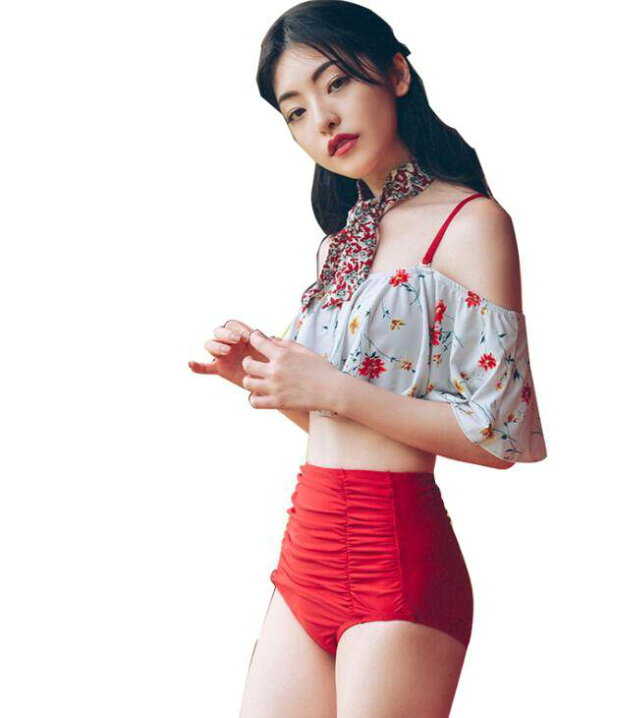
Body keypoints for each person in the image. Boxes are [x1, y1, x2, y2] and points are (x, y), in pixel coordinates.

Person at [188, 1, 547, 715]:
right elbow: (348, 424)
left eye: (337, 84)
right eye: (295, 111)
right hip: (307, 544)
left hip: (397, 556)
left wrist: (330, 387)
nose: (321, 119)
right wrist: (271, 382)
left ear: (397, 75)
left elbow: (500, 436)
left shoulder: (471, 223)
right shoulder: (340, 241)